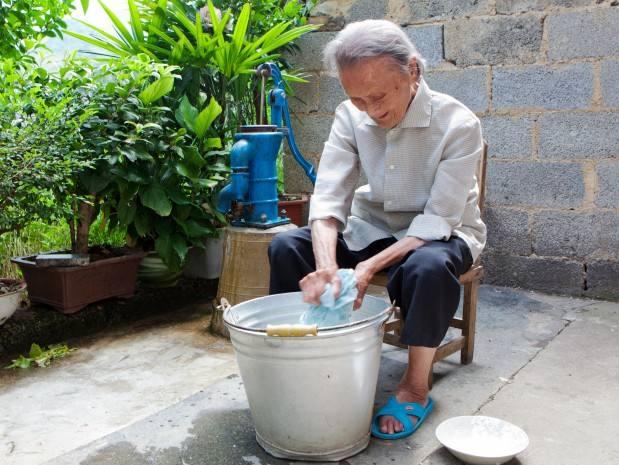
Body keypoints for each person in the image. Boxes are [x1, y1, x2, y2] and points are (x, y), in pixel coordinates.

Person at [268, 19, 486, 440]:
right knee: (287, 246)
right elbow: (329, 197)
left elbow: (437, 220)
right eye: (358, 99)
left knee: (427, 267)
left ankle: (415, 386)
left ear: (414, 71)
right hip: (373, 227)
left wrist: (368, 268)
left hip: (442, 233)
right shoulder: (351, 116)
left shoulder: (459, 123)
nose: (371, 110)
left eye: (380, 96)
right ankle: (307, 356)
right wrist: (328, 265)